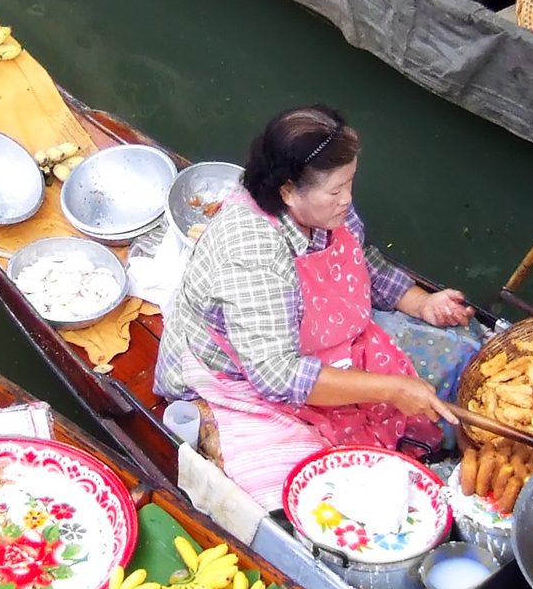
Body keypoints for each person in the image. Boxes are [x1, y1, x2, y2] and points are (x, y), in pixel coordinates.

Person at [154, 105, 473, 507]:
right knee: (309, 493)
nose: (348, 199)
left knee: (461, 358)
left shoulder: (325, 209)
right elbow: (277, 374)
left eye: (350, 183)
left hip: (324, 341)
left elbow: (362, 260)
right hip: (242, 374)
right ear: (287, 190)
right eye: (337, 190)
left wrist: (423, 303)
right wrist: (392, 389)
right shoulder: (253, 252)